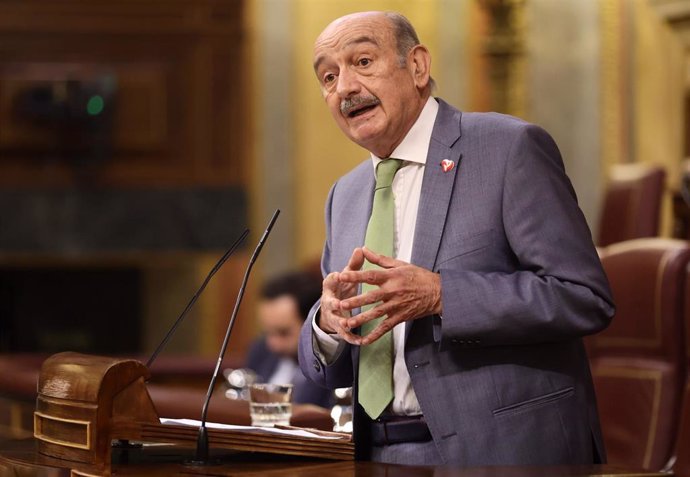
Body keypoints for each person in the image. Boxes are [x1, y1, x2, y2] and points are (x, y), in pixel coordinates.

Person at [297, 11, 615, 466]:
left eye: (363, 61)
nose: (344, 87)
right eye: (328, 76)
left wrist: (441, 295)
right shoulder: (343, 195)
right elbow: (330, 366)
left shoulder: (508, 149)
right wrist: (328, 324)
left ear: (418, 66)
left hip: (506, 452)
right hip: (377, 455)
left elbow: (584, 297)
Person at [246, 270, 333, 409]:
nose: (272, 344)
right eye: (267, 332)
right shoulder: (260, 351)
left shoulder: (333, 366)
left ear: (312, 323)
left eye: (283, 333)